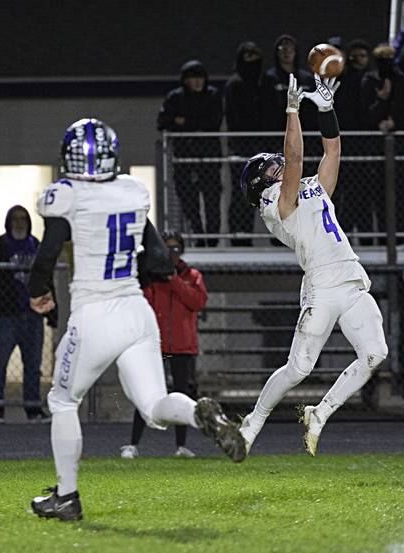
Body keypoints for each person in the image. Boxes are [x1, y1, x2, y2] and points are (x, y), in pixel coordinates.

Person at [27, 118, 246, 522]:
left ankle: (67, 495)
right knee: (153, 405)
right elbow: (160, 260)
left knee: (61, 400)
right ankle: (199, 413)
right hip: (137, 310)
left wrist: (39, 291)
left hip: (95, 312)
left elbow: (46, 254)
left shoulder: (66, 195)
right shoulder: (131, 191)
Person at [237, 73, 388, 457]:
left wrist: (326, 111)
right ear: (260, 185)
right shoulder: (274, 206)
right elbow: (295, 157)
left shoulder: (308, 187)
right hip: (321, 286)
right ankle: (254, 420)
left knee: (375, 354)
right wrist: (292, 110)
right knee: (298, 369)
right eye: (270, 168)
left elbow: (332, 152)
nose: (277, 167)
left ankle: (319, 413)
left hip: (350, 276)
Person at [120, 231, 208, 459]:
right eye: (167, 249)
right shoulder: (149, 279)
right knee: (146, 393)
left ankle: (181, 446)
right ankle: (132, 444)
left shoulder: (192, 275)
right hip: (154, 346)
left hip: (181, 346)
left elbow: (197, 301)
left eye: (176, 249)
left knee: (182, 393)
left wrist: (173, 279)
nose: (172, 254)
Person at [0, 206, 56, 422]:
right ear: (8, 221)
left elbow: (48, 279)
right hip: (6, 315)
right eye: (15, 218)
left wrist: (52, 312)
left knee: (33, 365)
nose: (20, 222)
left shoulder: (36, 246)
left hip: (33, 315)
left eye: (23, 218)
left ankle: (33, 409)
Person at [157, 60, 223, 247]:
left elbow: (214, 123)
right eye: (192, 78)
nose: (197, 82)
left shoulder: (212, 95)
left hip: (209, 158)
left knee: (212, 200)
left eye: (200, 78)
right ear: (185, 80)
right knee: (189, 203)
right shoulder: (176, 97)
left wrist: (184, 122)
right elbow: (163, 122)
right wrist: (197, 124)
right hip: (184, 159)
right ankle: (198, 237)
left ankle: (212, 239)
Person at [225, 42, 264, 246]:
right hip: (241, 149)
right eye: (248, 55)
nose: (252, 60)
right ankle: (239, 237)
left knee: (261, 194)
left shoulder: (262, 83)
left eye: (255, 55)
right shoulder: (235, 84)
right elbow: (235, 118)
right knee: (241, 192)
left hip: (261, 149)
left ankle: (252, 235)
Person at [259, 35, 315, 131]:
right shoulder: (270, 78)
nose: (287, 52)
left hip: (304, 130)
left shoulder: (307, 78)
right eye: (283, 49)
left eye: (290, 49)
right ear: (277, 52)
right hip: (278, 130)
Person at [360, 43, 404, 132]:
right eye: (381, 59)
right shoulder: (369, 80)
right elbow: (365, 113)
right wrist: (381, 100)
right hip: (373, 134)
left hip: (400, 134)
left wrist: (395, 123)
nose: (385, 63)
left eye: (389, 58)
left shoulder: (403, 81)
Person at [335, 39, 371, 130]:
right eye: (354, 56)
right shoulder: (340, 78)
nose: (358, 59)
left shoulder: (373, 79)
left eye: (362, 56)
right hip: (343, 127)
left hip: (368, 129)